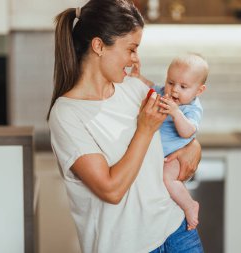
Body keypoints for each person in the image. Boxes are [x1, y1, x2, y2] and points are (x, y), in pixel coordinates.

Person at [47, 0, 204, 252]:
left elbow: (177, 123)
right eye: (131, 49)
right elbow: (111, 190)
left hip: (177, 231)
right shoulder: (67, 114)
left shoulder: (135, 89)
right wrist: (144, 130)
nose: (135, 59)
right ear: (99, 46)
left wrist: (194, 145)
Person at [130, 53, 208, 230]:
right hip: (157, 156)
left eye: (183, 86)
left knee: (167, 178)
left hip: (174, 158)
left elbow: (188, 131)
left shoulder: (191, 108)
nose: (174, 90)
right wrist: (138, 77)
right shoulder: (163, 93)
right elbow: (150, 86)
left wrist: (176, 113)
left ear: (199, 90)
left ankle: (189, 205)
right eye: (171, 82)